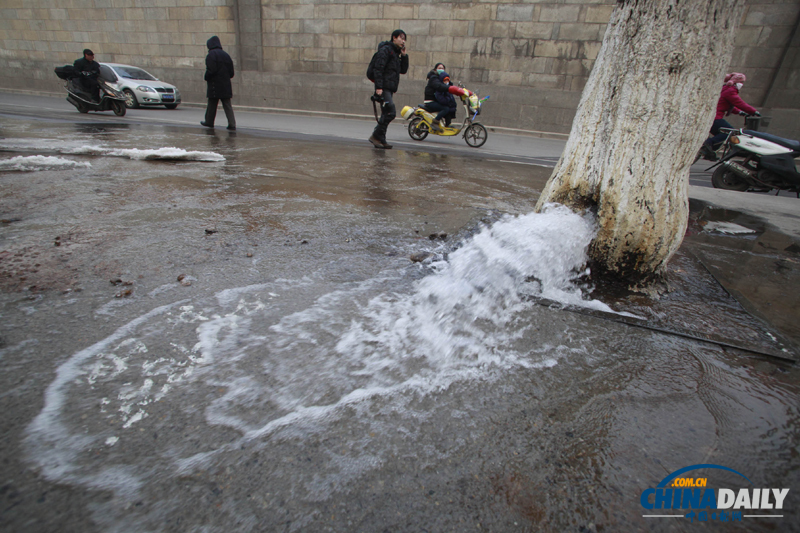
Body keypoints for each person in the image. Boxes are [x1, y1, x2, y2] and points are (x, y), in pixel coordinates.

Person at [700, 72, 758, 161]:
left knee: (720, 134)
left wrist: (740, 112)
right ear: (736, 82)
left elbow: (727, 105)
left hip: (712, 116)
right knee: (728, 132)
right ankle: (707, 145)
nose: (742, 84)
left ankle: (709, 152)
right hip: (715, 117)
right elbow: (739, 103)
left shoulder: (725, 89)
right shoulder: (730, 91)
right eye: (741, 82)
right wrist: (754, 111)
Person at [368, 29, 409, 149]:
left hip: (390, 88)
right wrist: (379, 87)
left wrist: (404, 55)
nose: (403, 41)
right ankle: (376, 136)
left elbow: (403, 70)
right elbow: (378, 69)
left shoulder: (396, 53)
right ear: (394, 38)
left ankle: (381, 139)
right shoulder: (386, 50)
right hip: (384, 87)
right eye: (401, 38)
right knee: (391, 112)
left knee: (386, 113)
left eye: (404, 39)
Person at [201, 36, 236, 131]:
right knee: (227, 105)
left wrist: (206, 77)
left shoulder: (211, 55)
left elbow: (211, 70)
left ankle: (209, 121)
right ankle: (232, 123)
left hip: (214, 85)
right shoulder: (226, 55)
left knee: (212, 104)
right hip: (226, 85)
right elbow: (231, 73)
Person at [422, 63, 452, 131]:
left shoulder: (442, 78)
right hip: (430, 101)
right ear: (435, 69)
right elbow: (439, 86)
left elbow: (449, 84)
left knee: (450, 106)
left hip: (437, 100)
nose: (441, 69)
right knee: (445, 109)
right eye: (439, 68)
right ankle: (435, 122)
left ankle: (448, 124)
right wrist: (449, 88)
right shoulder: (433, 78)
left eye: (442, 68)